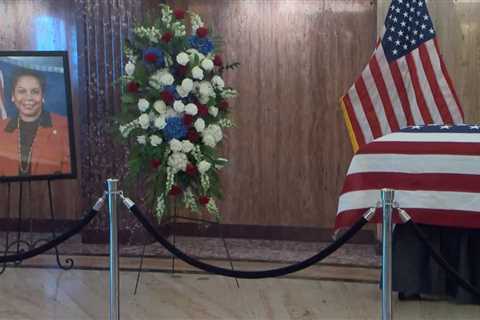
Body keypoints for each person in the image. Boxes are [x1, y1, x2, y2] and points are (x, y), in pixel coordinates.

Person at [0, 69, 71, 177]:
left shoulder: (64, 126)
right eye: (22, 91)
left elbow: (68, 178)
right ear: (13, 96)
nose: (29, 97)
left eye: (35, 91)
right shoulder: (1, 128)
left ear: (43, 96)